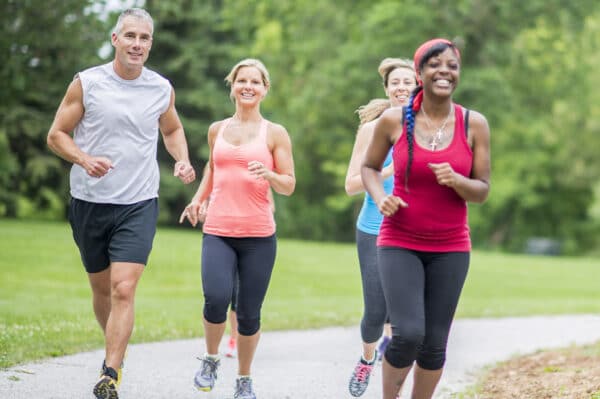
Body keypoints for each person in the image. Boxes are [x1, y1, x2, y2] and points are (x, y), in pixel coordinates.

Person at [46, 8, 196, 399]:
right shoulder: (88, 83)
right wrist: (83, 158)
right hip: (90, 201)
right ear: (115, 39)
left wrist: (181, 158)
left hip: (138, 201)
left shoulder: (160, 88)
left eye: (144, 38)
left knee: (124, 289)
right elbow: (56, 135)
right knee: (101, 291)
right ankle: (116, 350)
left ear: (150, 44)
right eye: (130, 36)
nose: (137, 44)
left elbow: (173, 127)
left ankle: (110, 372)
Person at [361, 38, 491, 399]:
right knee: (407, 334)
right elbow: (369, 167)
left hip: (451, 246)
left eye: (452, 65)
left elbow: (482, 190)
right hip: (399, 241)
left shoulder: (473, 124)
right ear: (419, 73)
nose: (444, 71)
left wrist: (458, 180)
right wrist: (380, 196)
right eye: (435, 65)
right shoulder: (393, 120)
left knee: (435, 343)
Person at [180, 58, 295, 399]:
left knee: (248, 313)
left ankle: (244, 378)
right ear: (232, 86)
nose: (248, 86)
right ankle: (212, 359)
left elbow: (289, 184)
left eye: (255, 82)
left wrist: (270, 175)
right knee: (215, 298)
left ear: (265, 89)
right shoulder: (217, 129)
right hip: (218, 229)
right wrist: (198, 199)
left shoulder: (275, 133)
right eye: (241, 80)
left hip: (259, 235)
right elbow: (212, 169)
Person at [344, 58, 417, 397]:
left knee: (402, 314)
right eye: (395, 83)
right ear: (386, 89)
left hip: (412, 232)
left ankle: (394, 377)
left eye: (407, 82)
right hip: (374, 228)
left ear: (418, 87)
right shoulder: (371, 130)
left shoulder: (428, 130)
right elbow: (351, 185)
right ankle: (366, 357)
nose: (401, 87)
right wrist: (383, 173)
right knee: (375, 311)